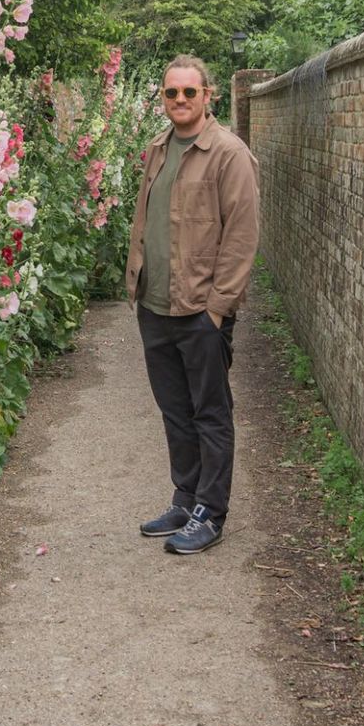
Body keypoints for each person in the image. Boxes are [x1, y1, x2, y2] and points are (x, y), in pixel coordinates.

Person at [125, 55, 260, 555]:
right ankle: (185, 499)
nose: (179, 100)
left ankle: (210, 510)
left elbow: (243, 237)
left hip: (201, 310)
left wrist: (218, 310)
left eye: (188, 92)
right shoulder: (159, 148)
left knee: (210, 413)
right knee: (174, 411)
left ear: (209, 95)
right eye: (170, 93)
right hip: (155, 304)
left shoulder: (229, 154)